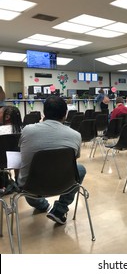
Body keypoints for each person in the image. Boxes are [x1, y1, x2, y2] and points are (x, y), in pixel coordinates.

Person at [18, 95, 86, 225]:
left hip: (31, 186)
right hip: (63, 184)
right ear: (65, 114)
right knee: (80, 169)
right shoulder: (76, 135)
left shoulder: (27, 130)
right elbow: (73, 160)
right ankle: (60, 210)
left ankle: (42, 205)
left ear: (44, 113)